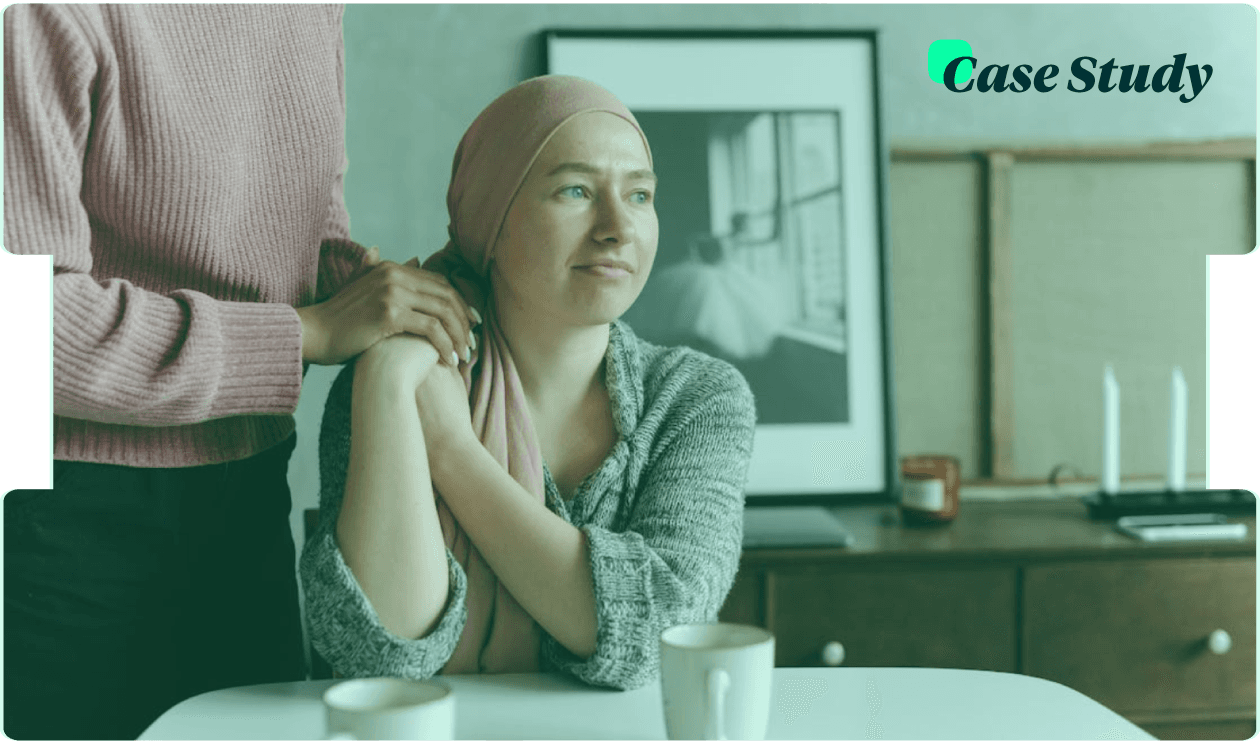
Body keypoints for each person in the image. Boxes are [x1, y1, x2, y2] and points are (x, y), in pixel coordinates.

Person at [3, 5, 477, 740]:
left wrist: (387, 292)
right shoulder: (50, 14)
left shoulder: (310, 10)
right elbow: (27, 330)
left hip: (251, 488)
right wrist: (310, 333)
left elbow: (302, 242)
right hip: (60, 513)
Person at [300, 75, 758, 688]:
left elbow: (658, 635)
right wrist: (384, 376)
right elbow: (377, 656)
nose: (618, 227)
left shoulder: (698, 399)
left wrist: (453, 451)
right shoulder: (398, 373)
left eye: (641, 196)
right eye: (575, 190)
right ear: (492, 219)